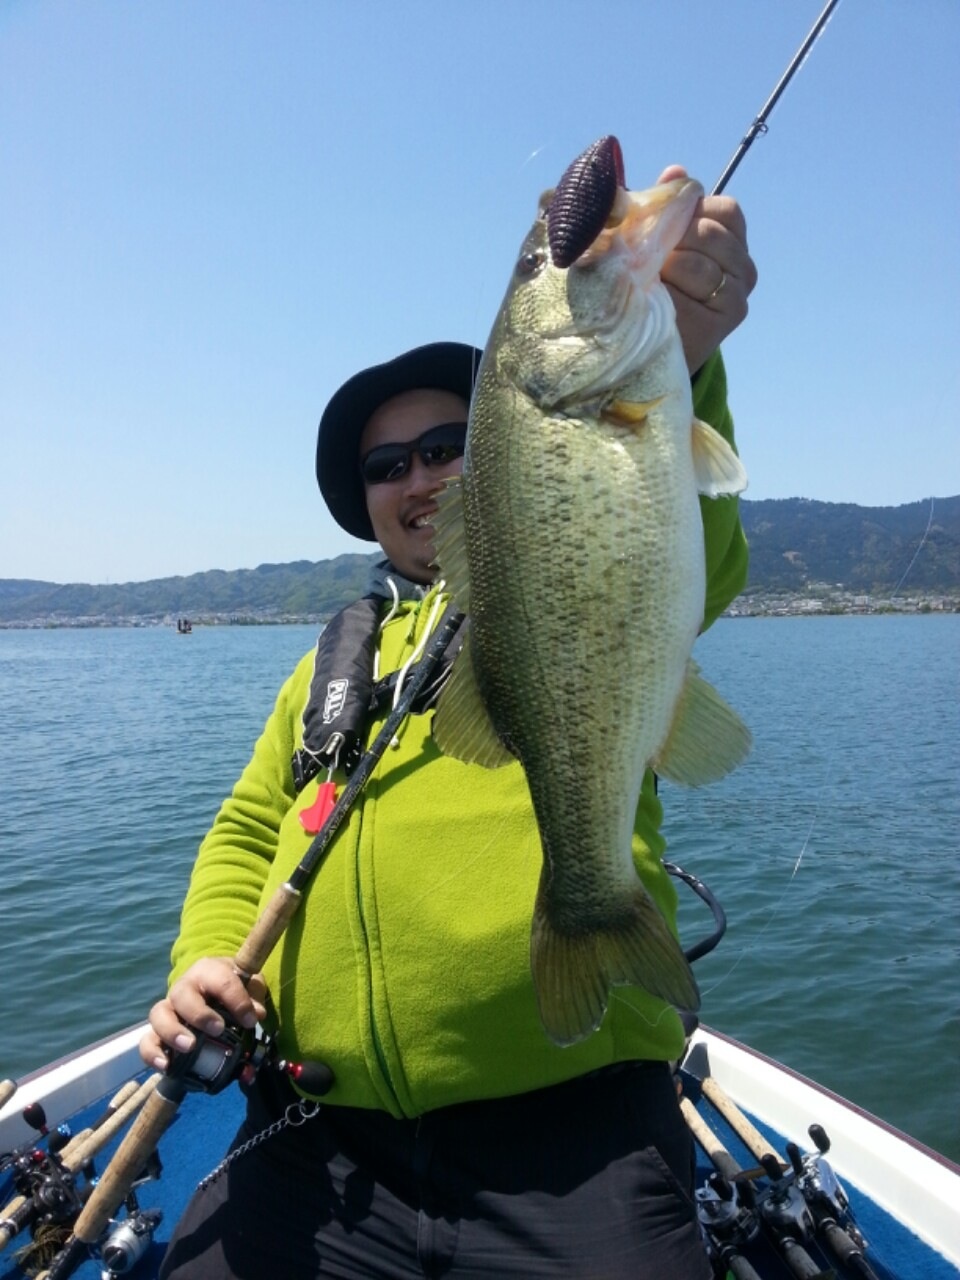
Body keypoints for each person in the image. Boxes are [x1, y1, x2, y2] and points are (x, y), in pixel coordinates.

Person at [143, 167, 757, 1279]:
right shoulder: (331, 661)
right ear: (368, 501)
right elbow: (245, 830)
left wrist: (693, 359)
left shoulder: (567, 560)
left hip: (578, 1142)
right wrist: (202, 961)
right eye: (387, 466)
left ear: (507, 443)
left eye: (445, 444)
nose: (419, 476)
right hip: (318, 1146)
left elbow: (693, 553)